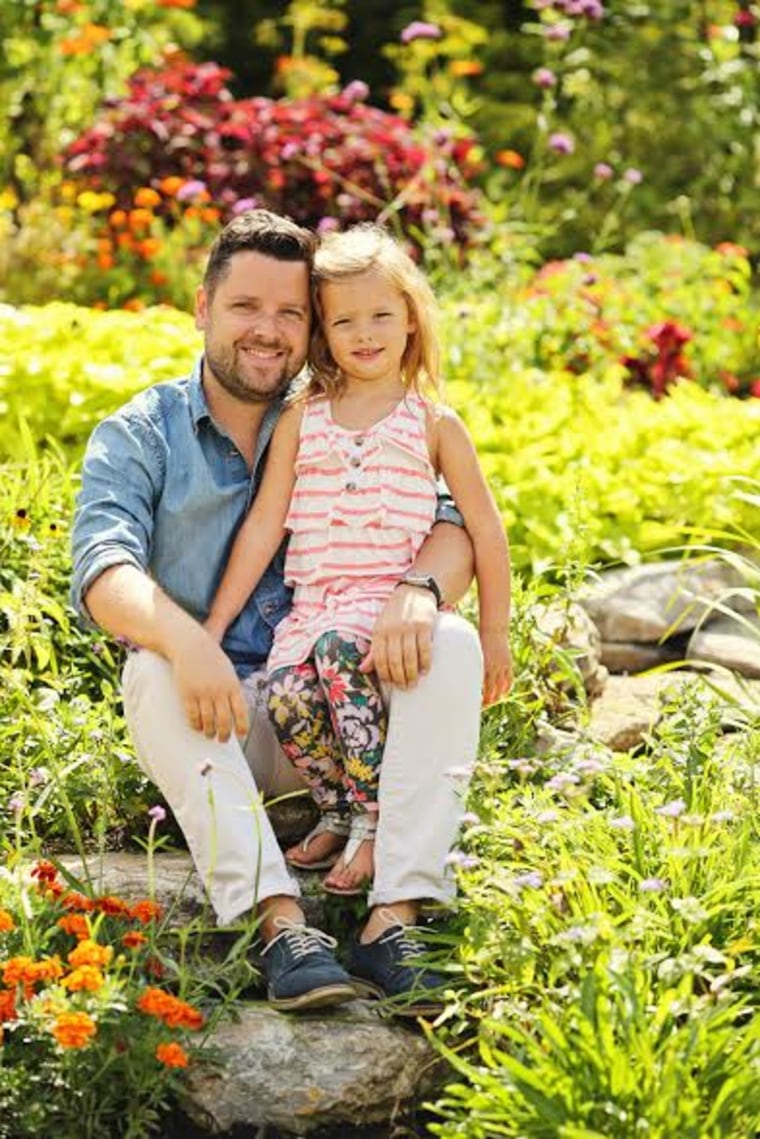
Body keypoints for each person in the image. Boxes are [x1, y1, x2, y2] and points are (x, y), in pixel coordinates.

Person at [70, 209, 494, 1014]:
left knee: (454, 639)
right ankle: (281, 921)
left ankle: (395, 916)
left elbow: (456, 525)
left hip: (350, 703)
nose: (268, 331)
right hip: (226, 718)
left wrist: (419, 587)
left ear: (315, 328)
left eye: (290, 312)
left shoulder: (351, 412)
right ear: (202, 308)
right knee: (151, 664)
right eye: (244, 308)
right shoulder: (142, 433)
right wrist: (190, 642)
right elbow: (103, 568)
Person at [204, 223, 512, 900]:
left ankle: (374, 824)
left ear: (410, 317)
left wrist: (494, 633)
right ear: (323, 331)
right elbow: (263, 528)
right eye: (345, 320)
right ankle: (338, 807)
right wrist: (214, 625)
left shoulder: (432, 422)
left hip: (379, 605)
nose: (365, 332)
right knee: (287, 693)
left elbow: (485, 529)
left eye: (381, 314)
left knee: (343, 657)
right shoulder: (302, 418)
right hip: (310, 606)